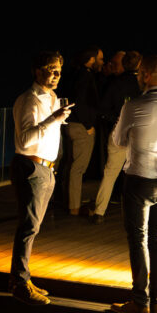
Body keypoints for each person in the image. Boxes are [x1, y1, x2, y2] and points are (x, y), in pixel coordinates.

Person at [110, 55, 157, 313]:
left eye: (141, 72)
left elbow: (118, 140)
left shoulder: (134, 105)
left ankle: (140, 301)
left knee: (138, 240)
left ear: (147, 75)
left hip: (139, 180)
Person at [7, 53, 73, 303]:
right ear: (36, 71)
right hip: (31, 166)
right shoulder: (29, 101)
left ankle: (21, 278)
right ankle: (20, 282)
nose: (56, 75)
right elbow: (23, 141)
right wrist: (52, 120)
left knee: (31, 227)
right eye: (50, 69)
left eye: (58, 70)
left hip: (46, 167)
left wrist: (56, 119)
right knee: (28, 227)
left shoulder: (53, 98)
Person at [89, 50, 143, 218]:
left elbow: (103, 109)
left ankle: (99, 211)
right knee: (139, 173)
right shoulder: (144, 84)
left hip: (119, 131)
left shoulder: (115, 84)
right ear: (140, 65)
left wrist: (116, 118)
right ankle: (138, 211)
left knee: (110, 172)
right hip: (140, 133)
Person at [60, 49, 106, 217]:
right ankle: (74, 206)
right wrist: (88, 125)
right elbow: (81, 101)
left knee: (69, 164)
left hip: (69, 124)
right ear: (91, 59)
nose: (102, 62)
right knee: (78, 168)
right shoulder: (85, 77)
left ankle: (66, 201)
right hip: (80, 126)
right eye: (100, 59)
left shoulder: (73, 74)